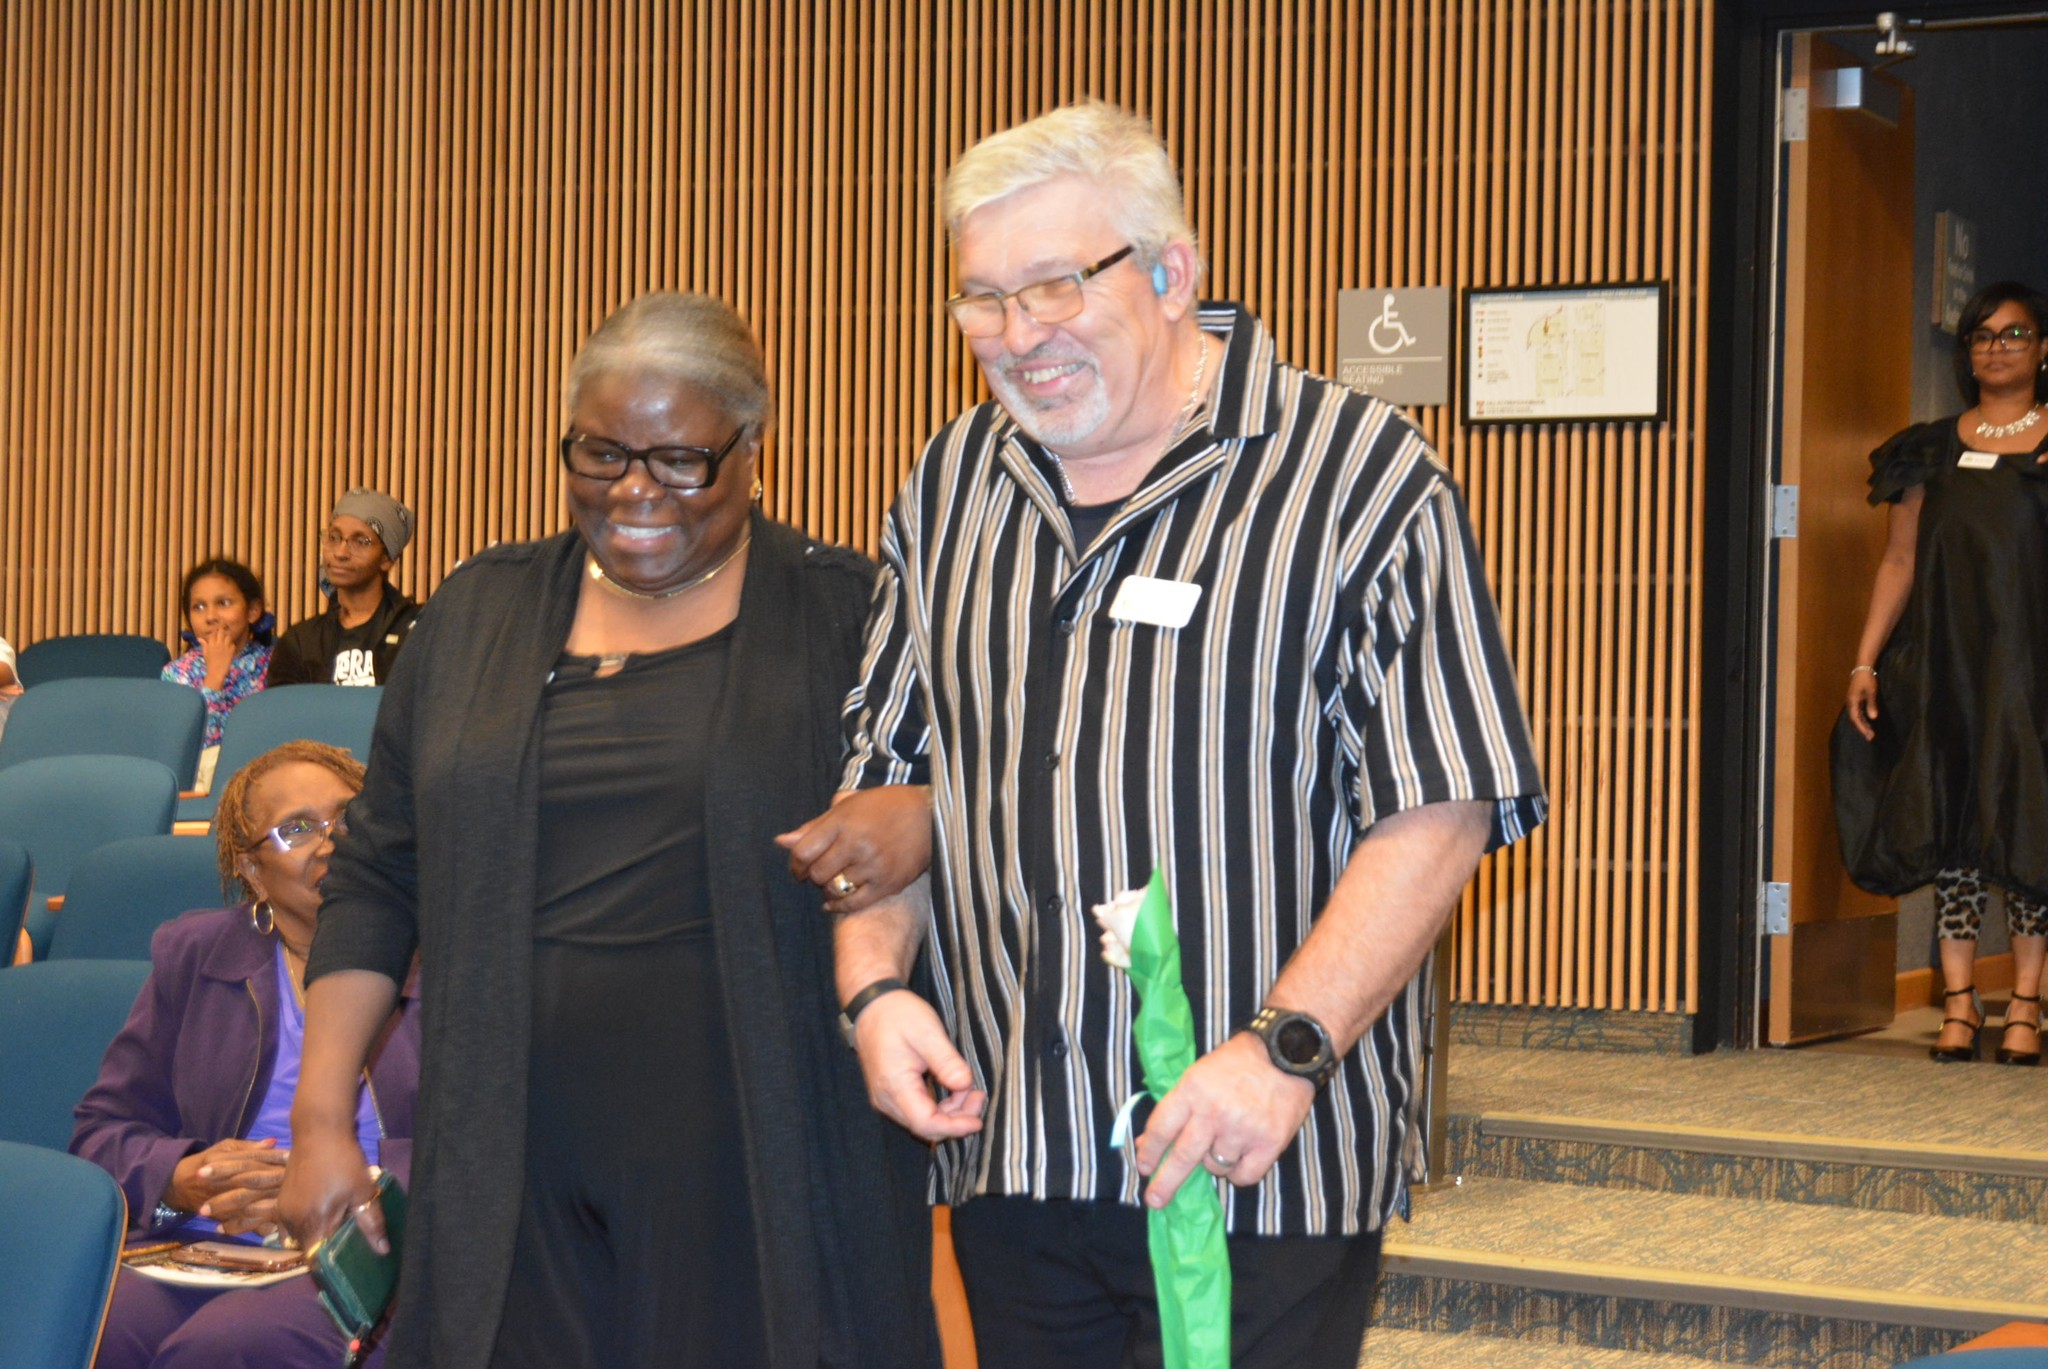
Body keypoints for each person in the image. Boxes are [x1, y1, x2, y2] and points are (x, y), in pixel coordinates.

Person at [818, 101, 1545, 1368]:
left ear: (1172, 273)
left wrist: (1284, 1050)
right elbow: (889, 783)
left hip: (1257, 1150)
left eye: (1056, 286)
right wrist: (874, 988)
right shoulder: (948, 487)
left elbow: (1441, 802)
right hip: (1013, 1145)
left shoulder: (1358, 475)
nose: (1017, 335)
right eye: (983, 298)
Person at [279, 292, 938, 1369]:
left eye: (681, 460)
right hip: (506, 1155)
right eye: (600, 454)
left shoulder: (846, 613)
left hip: (757, 1154)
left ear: (753, 450)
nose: (635, 491)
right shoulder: (477, 612)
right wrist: (319, 1119)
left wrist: (927, 813)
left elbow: (989, 807)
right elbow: (379, 874)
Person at [71, 740, 420, 1369]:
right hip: (204, 1243)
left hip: (374, 1248)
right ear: (252, 872)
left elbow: (509, 1147)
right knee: (85, 1323)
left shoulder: (448, 957)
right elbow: (103, 1132)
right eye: (297, 829)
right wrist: (179, 1181)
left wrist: (355, 1181)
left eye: (349, 818)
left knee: (226, 1349)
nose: (332, 843)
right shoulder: (195, 955)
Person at [1834, 280, 2048, 1068]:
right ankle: (1959, 1000)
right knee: (1951, 821)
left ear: (2043, 348)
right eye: (1981, 335)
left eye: (2014, 333)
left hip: (2031, 669)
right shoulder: (1928, 447)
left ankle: (2026, 1001)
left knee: (2027, 824)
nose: (1996, 347)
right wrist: (1865, 658)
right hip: (1946, 664)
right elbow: (1898, 560)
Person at [268, 489, 423, 687]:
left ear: (386, 559)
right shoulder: (301, 641)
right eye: (334, 538)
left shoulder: (417, 629)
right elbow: (282, 705)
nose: (341, 553)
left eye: (361, 542)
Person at [162, 558, 273, 776]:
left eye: (223, 603)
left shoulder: (274, 664)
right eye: (199, 607)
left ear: (253, 610)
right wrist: (214, 677)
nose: (210, 616)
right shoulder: (177, 673)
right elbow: (187, 751)